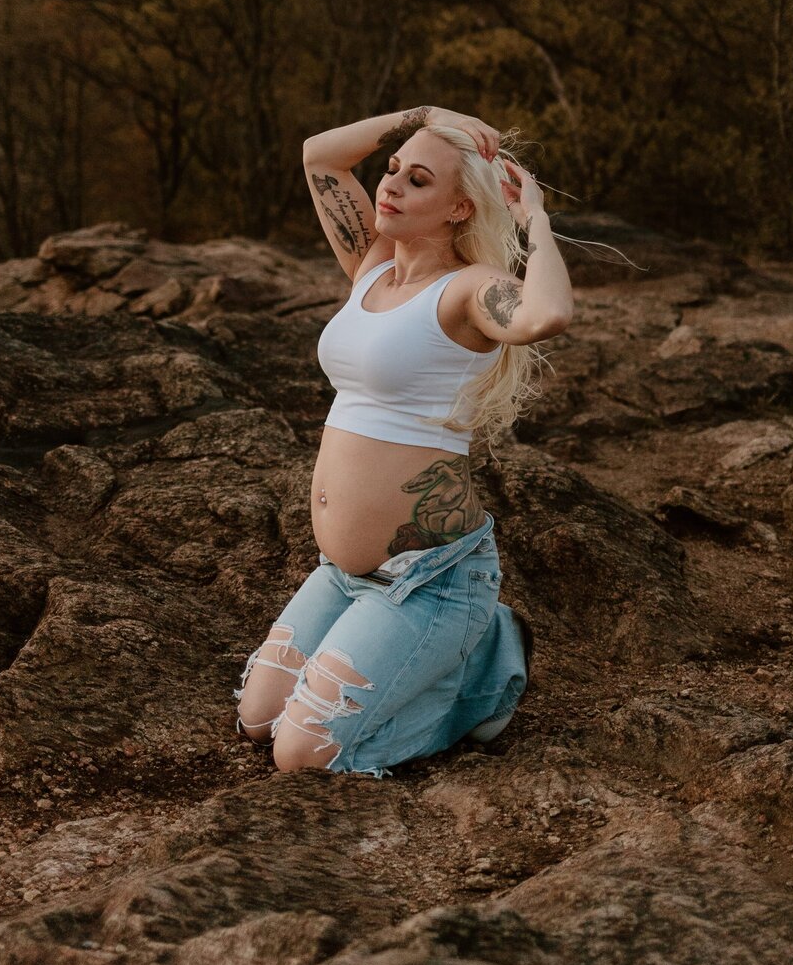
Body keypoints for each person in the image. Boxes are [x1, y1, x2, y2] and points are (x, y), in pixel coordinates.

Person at [233, 105, 574, 778]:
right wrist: (423, 113)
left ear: (458, 209)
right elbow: (319, 155)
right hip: (345, 574)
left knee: (301, 754)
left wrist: (535, 219)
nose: (389, 185)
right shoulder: (371, 269)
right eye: (391, 169)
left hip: (430, 580)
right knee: (257, 719)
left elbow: (549, 313)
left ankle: (482, 674)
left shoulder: (469, 292)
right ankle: (450, 657)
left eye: (417, 180)